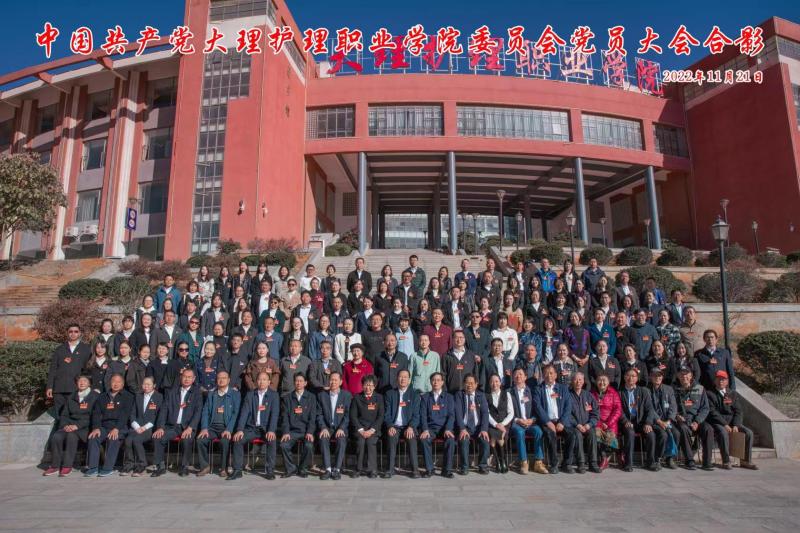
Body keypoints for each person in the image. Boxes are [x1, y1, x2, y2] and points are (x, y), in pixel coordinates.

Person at [43, 374, 98, 477]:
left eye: (85, 381)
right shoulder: (71, 396)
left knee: (71, 436)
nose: (82, 383)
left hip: (85, 428)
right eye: (79, 381)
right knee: (57, 436)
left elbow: (94, 416)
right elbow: (64, 415)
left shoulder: (94, 396)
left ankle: (67, 466)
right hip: (69, 425)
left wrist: (77, 426)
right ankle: (55, 466)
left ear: (89, 383)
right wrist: (65, 425)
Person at [151, 369, 201, 477]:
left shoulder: (197, 393)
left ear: (193, 379)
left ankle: (184, 467)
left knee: (186, 440)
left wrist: (190, 427)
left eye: (189, 377)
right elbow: (164, 410)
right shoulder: (172, 392)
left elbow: (198, 412)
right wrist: (160, 427)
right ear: (181, 377)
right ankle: (160, 466)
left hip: (187, 427)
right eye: (185, 376)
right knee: (158, 437)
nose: (186, 379)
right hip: (172, 426)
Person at [230, 371, 279, 480]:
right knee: (238, 439)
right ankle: (237, 470)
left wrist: (271, 430)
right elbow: (244, 413)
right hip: (251, 428)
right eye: (259, 379)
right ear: (256, 381)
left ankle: (270, 470)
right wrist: (240, 429)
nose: (262, 382)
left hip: (266, 429)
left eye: (264, 379)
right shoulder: (250, 394)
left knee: (272, 440)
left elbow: (274, 414)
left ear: (269, 382)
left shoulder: (274, 395)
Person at [706, 370, 759, 470]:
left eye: (723, 379)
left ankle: (746, 461)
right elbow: (712, 412)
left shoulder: (732, 394)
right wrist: (725, 424)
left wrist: (736, 425)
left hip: (732, 422)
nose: (721, 381)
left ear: (727, 381)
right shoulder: (709, 394)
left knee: (749, 433)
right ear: (715, 381)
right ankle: (726, 461)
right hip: (718, 422)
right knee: (723, 433)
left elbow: (738, 411)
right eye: (718, 379)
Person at [85, 373, 133, 477]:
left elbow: (125, 415)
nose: (116, 384)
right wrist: (96, 428)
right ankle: (93, 468)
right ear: (110, 383)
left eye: (118, 382)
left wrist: (117, 428)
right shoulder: (102, 397)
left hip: (120, 427)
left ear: (123, 384)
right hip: (104, 426)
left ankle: (108, 468)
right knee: (93, 437)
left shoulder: (128, 396)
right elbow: (96, 413)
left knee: (113, 438)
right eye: (113, 381)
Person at [196, 371, 241, 477]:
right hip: (212, 428)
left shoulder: (235, 394)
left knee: (224, 441)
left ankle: (223, 468)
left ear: (229, 380)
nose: (221, 380)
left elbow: (235, 413)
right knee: (200, 440)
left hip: (226, 427)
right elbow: (205, 411)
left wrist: (229, 429)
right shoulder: (212, 394)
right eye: (219, 378)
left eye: (224, 378)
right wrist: (204, 428)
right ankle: (205, 466)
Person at [534, 364, 576, 474]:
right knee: (550, 434)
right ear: (543, 375)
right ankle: (554, 464)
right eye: (546, 373)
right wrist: (548, 422)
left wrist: (562, 422)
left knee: (572, 434)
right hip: (547, 422)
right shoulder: (538, 389)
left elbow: (568, 406)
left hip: (561, 421)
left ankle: (567, 463)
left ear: (556, 375)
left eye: (551, 373)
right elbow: (537, 407)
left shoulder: (563, 388)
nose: (549, 375)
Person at [47, 324, 92, 418]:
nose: (73, 334)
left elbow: (88, 370)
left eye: (76, 331)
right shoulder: (60, 349)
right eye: (70, 331)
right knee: (60, 416)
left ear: (79, 333)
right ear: (67, 333)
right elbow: (53, 369)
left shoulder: (86, 349)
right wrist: (50, 386)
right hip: (59, 389)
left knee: (74, 415)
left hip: (76, 388)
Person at [618, 368, 658, 472]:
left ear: (637, 378)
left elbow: (650, 409)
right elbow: (618, 410)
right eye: (628, 375)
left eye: (633, 376)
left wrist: (648, 423)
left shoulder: (643, 391)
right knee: (630, 433)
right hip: (627, 423)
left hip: (641, 422)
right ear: (624, 377)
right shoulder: (620, 392)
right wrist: (625, 421)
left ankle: (651, 463)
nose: (630, 378)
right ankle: (628, 464)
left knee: (651, 434)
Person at [383, 369, 421, 478]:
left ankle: (415, 470)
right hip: (394, 426)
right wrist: (390, 426)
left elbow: (416, 415)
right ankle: (390, 469)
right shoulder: (390, 394)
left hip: (408, 426)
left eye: (405, 377)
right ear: (397, 379)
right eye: (400, 376)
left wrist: (411, 427)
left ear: (409, 380)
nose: (403, 379)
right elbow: (386, 414)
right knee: (391, 437)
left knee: (411, 438)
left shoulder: (414, 394)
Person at [674, 368, 714, 470]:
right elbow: (671, 407)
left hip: (696, 419)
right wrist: (676, 416)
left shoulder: (699, 388)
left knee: (708, 429)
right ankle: (689, 460)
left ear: (691, 375)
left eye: (686, 374)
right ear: (678, 376)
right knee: (683, 429)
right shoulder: (673, 389)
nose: (684, 377)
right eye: (682, 374)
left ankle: (707, 462)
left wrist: (697, 421)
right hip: (682, 420)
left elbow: (705, 408)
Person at [122, 376, 162, 476]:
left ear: (154, 385)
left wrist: (144, 427)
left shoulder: (159, 397)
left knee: (137, 440)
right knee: (128, 441)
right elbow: (132, 414)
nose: (146, 386)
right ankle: (129, 464)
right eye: (144, 384)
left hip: (150, 428)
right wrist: (136, 426)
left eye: (148, 384)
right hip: (137, 426)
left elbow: (158, 415)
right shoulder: (138, 396)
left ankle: (141, 465)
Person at [509, 367, 547, 474]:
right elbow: (508, 412)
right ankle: (524, 462)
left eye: (521, 374)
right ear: (513, 377)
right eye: (516, 374)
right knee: (520, 432)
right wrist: (518, 420)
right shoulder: (509, 392)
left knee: (538, 431)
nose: (518, 376)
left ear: (525, 377)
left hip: (531, 422)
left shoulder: (531, 391)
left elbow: (536, 409)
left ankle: (538, 462)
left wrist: (532, 420)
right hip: (516, 422)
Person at [419, 372, 456, 478]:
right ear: (430, 382)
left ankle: (447, 470)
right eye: (433, 380)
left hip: (445, 428)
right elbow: (423, 415)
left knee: (450, 440)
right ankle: (430, 469)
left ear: (442, 382)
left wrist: (448, 428)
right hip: (430, 428)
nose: (436, 382)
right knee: (424, 439)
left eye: (438, 380)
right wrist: (425, 429)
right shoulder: (425, 397)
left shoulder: (449, 397)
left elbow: (451, 415)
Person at [316, 371, 351, 480]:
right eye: (331, 380)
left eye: (336, 380)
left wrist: (342, 428)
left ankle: (337, 469)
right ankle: (327, 469)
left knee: (341, 440)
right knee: (323, 438)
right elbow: (319, 414)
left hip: (340, 427)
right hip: (327, 427)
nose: (333, 382)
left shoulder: (346, 395)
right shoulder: (321, 395)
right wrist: (323, 427)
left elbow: (347, 415)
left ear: (340, 382)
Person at [454, 374, 491, 475]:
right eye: (467, 383)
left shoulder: (481, 395)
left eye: (471, 383)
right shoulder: (459, 395)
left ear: (476, 384)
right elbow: (457, 413)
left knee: (485, 440)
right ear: (463, 384)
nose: (469, 385)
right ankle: (464, 467)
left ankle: (483, 466)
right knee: (464, 440)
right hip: (465, 427)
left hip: (478, 427)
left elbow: (485, 413)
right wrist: (462, 428)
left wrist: (484, 429)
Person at [350, 375, 384, 478]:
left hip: (373, 429)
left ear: (374, 386)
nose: (368, 387)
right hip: (360, 429)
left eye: (370, 385)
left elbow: (381, 416)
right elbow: (353, 416)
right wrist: (361, 430)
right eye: (366, 385)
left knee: (370, 442)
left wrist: (371, 430)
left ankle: (372, 469)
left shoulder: (379, 398)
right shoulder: (357, 397)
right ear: (362, 385)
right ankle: (358, 469)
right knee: (360, 442)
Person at [568, 372, 601, 474]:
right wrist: (577, 425)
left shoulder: (589, 395)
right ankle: (581, 463)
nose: (578, 382)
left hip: (587, 425)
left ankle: (593, 463)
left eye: (580, 380)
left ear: (583, 382)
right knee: (577, 435)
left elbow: (595, 413)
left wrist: (589, 424)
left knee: (592, 433)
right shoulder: (568, 395)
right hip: (574, 426)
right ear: (572, 381)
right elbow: (566, 414)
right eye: (576, 379)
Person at [648, 368, 680, 469]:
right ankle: (657, 458)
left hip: (667, 420)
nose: (657, 378)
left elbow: (673, 406)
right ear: (650, 377)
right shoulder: (646, 390)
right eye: (655, 375)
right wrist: (659, 421)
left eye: (659, 376)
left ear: (662, 377)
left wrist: (669, 420)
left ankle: (669, 458)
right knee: (663, 435)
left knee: (676, 433)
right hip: (654, 421)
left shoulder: (668, 389)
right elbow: (649, 408)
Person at [592, 373, 621, 470]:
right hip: (597, 423)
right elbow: (589, 410)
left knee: (610, 437)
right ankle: (604, 459)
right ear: (596, 382)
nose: (602, 382)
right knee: (596, 434)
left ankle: (606, 459)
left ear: (608, 382)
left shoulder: (613, 393)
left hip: (610, 423)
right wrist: (599, 423)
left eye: (604, 380)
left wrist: (608, 423)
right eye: (599, 380)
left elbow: (618, 410)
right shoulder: (591, 393)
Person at [485, 374, 513, 474]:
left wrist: (502, 424)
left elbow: (511, 412)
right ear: (489, 383)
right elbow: (486, 413)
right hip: (492, 424)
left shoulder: (507, 394)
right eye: (492, 382)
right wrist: (495, 424)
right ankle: (498, 462)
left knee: (500, 439)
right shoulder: (486, 396)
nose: (494, 384)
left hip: (505, 424)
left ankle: (502, 461)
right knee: (493, 438)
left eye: (496, 381)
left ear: (500, 383)